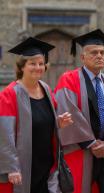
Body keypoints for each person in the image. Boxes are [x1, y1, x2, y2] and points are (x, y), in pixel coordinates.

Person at [54, 29, 104, 193]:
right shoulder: (69, 79)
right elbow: (69, 113)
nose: (99, 56)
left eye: (102, 52)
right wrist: (92, 144)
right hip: (81, 151)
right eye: (94, 52)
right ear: (82, 57)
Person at [0, 37, 73, 193]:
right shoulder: (9, 94)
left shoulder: (45, 88)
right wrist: (11, 167)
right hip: (24, 165)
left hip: (47, 163)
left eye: (41, 63)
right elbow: (4, 135)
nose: (38, 67)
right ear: (22, 67)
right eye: (32, 63)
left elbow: (43, 121)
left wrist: (58, 122)